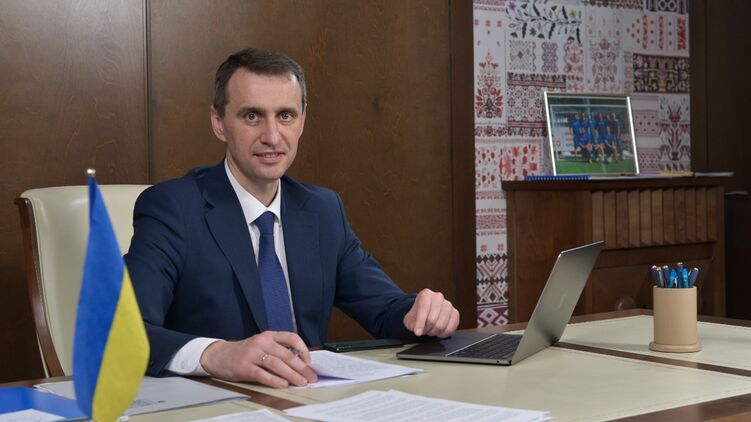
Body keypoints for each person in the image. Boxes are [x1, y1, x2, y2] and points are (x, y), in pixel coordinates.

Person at [124, 48, 460, 389]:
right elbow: (124, 331)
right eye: (252, 116)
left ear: (302, 121)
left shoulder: (322, 210)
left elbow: (385, 308)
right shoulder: (173, 209)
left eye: (285, 115)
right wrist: (217, 354)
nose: (272, 137)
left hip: (308, 398)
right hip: (219, 401)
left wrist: (423, 313)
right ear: (218, 122)